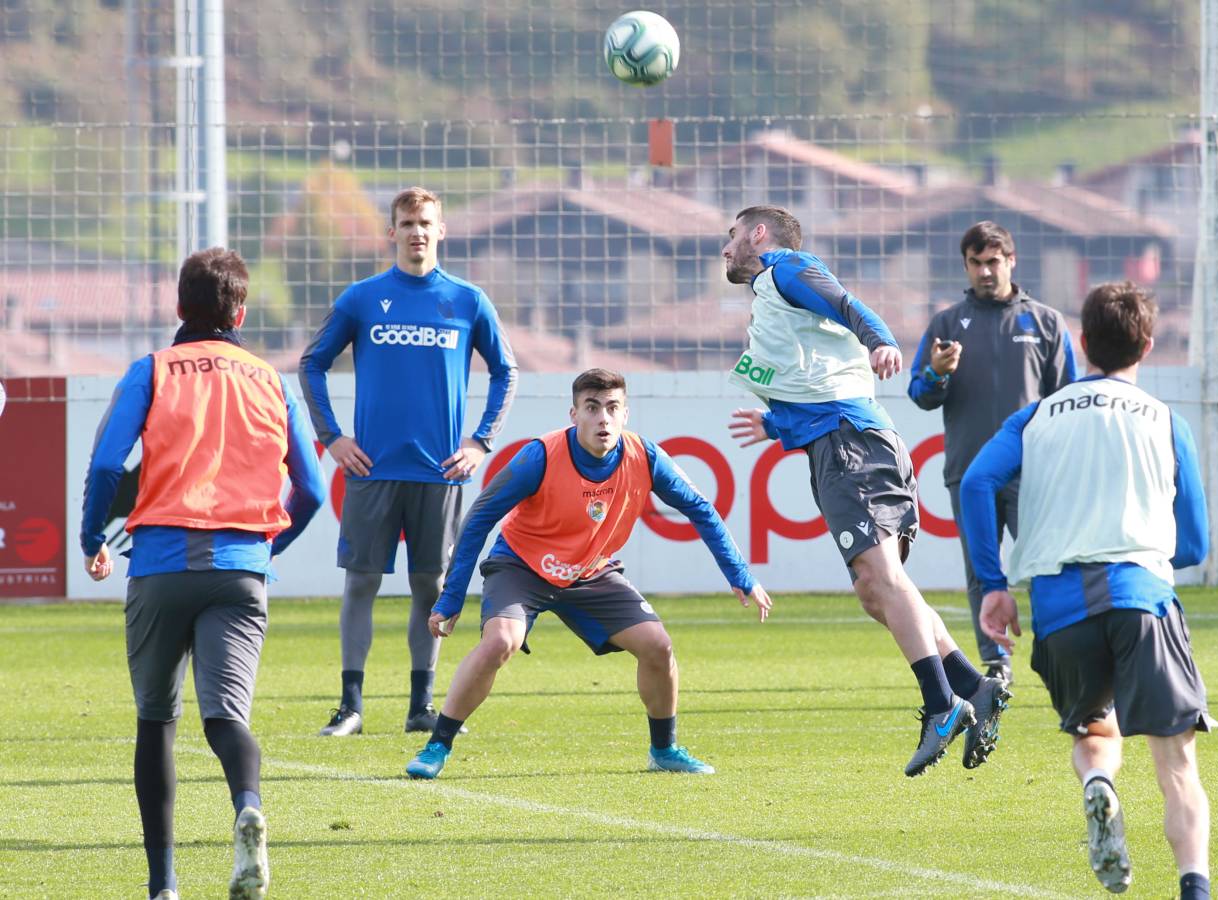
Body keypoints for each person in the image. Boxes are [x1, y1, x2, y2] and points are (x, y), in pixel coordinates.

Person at [721, 205, 1010, 777]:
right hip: (847, 442)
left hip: (851, 445)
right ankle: (974, 688)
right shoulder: (775, 297)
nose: (725, 249)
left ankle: (939, 706)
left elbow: (849, 305)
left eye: (731, 237)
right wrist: (776, 424)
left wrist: (881, 339)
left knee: (883, 580)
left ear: (758, 233)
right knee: (876, 591)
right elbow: (823, 373)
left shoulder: (785, 267)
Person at [80, 248, 326, 900]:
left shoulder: (153, 370)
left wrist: (89, 536)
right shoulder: (271, 381)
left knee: (157, 720)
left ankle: (163, 885)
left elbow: (109, 465)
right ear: (240, 311)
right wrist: (268, 548)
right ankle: (247, 804)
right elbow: (314, 491)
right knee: (226, 718)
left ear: (179, 308)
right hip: (241, 569)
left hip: (162, 566)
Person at [961, 282, 1214, 898]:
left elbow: (975, 484)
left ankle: (1097, 784)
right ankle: (1194, 887)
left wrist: (994, 585)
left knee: (1096, 733)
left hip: (1059, 606)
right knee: (1176, 761)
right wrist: (1150, 553)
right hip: (1141, 597)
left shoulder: (1033, 417)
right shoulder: (1166, 420)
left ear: (1080, 343)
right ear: (1147, 346)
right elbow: (1197, 546)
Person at [404, 368, 773, 779]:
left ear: (626, 414)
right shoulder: (539, 456)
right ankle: (437, 745)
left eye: (612, 408)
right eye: (592, 408)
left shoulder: (645, 457)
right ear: (574, 413)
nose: (603, 419)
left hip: (592, 571)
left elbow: (701, 509)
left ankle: (664, 750)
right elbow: (479, 517)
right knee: (500, 643)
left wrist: (741, 575)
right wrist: (452, 597)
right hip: (522, 566)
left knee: (658, 646)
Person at [300, 186, 517, 737]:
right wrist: (333, 438)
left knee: (431, 588)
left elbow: (506, 372)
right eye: (407, 223)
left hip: (439, 473)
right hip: (371, 471)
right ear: (390, 233)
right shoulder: (362, 299)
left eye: (426, 222)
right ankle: (350, 707)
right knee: (361, 584)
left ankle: (421, 707)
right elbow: (312, 364)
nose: (417, 232)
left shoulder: (467, 300)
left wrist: (479, 442)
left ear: (440, 230)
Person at [908, 221, 1077, 684]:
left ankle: (1056, 647)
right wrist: (938, 373)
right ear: (966, 265)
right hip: (968, 470)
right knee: (981, 568)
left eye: (993, 261)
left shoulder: (1046, 322)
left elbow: (1068, 398)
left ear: (1011, 261)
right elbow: (920, 393)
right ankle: (996, 659)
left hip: (1033, 470)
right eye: (976, 262)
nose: (985, 271)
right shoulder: (946, 324)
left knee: (1047, 562)